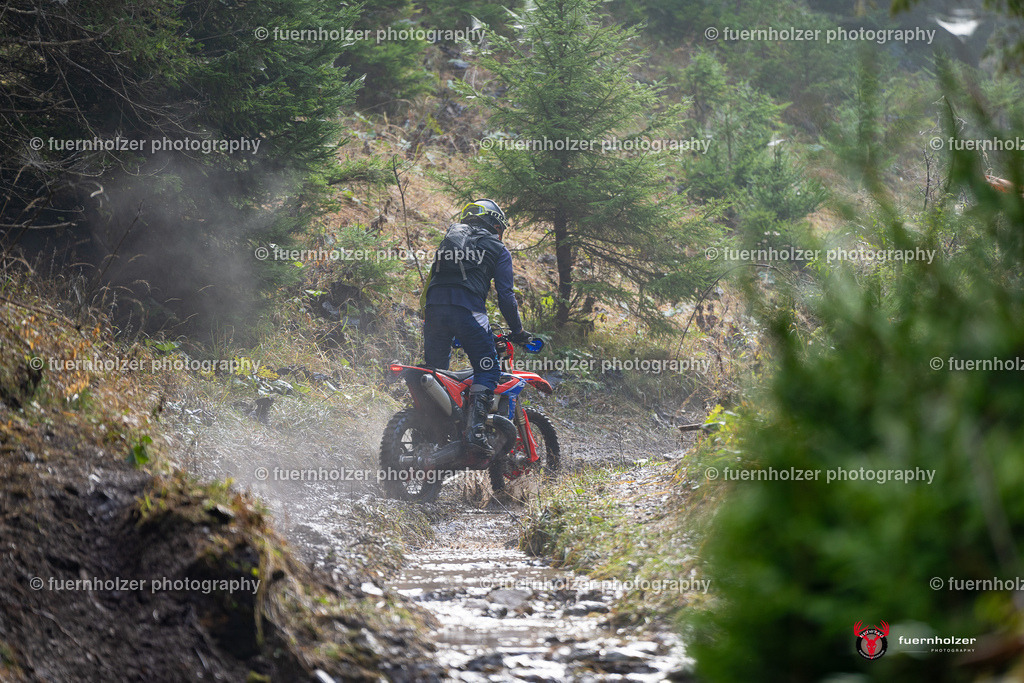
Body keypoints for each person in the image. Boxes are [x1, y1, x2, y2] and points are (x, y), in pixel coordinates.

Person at [421, 199, 531, 458]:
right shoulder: (497, 247)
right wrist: (517, 330)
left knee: (436, 373)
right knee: (489, 368)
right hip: (467, 310)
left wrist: (429, 315)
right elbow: (505, 295)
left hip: (434, 309)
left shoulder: (451, 240)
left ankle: (430, 428)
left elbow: (430, 282)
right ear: (494, 223)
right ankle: (475, 433)